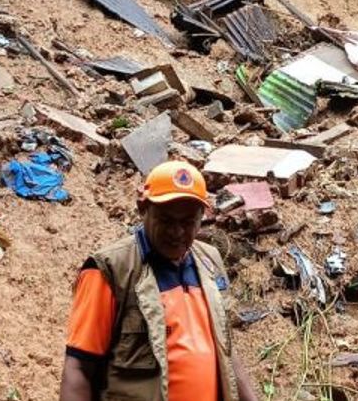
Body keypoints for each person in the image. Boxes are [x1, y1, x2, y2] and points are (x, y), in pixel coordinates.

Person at [59, 161, 259, 401]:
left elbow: (226, 351)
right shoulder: (112, 270)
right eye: (166, 220)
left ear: (202, 217)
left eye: (187, 222)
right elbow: (79, 368)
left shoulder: (209, 260)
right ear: (143, 209)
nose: (177, 232)